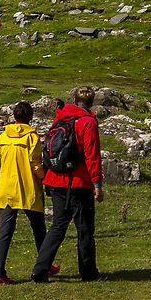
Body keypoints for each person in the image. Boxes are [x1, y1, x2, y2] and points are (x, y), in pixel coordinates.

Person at [32, 86, 104, 283]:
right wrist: (97, 183)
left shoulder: (60, 118)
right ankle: (88, 272)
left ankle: (40, 270)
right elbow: (91, 155)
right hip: (79, 182)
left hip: (55, 179)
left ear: (73, 100)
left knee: (58, 226)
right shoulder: (88, 122)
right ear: (91, 103)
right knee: (85, 229)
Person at [0, 102, 44, 285]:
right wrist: (44, 177)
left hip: (6, 187)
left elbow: (1, 156)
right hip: (28, 187)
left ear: (14, 117)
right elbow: (35, 162)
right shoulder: (32, 137)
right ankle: (45, 264)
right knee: (39, 229)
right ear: (30, 117)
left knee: (5, 231)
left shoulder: (3, 136)